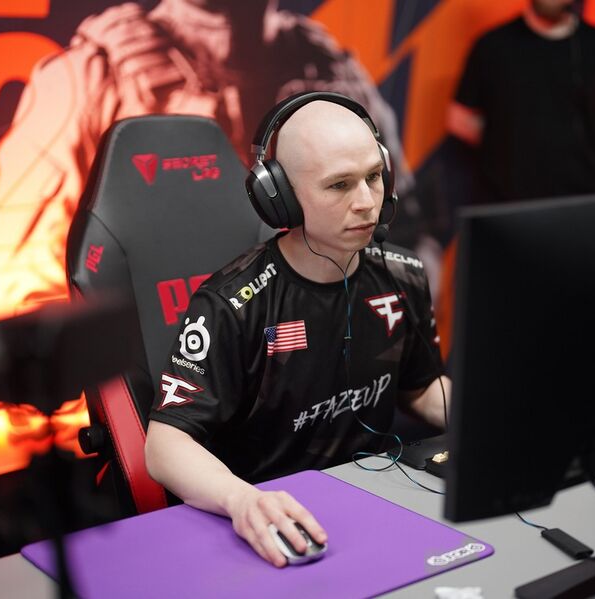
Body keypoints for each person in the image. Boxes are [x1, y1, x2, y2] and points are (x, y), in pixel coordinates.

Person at [145, 95, 450, 567]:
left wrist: (495, 417)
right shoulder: (233, 304)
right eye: (339, 185)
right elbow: (164, 445)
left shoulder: (403, 275)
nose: (366, 203)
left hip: (383, 502)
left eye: (373, 177)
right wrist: (241, 500)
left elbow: (422, 388)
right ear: (281, 198)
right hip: (275, 517)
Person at [0, 0, 412, 324]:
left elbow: (407, 229)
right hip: (163, 375)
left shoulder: (333, 74)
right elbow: (24, 283)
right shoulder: (93, 74)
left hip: (302, 363)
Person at [447, 0, 595, 203]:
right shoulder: (492, 45)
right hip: (509, 201)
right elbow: (458, 118)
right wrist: (503, 141)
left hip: (582, 199)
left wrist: (582, 142)